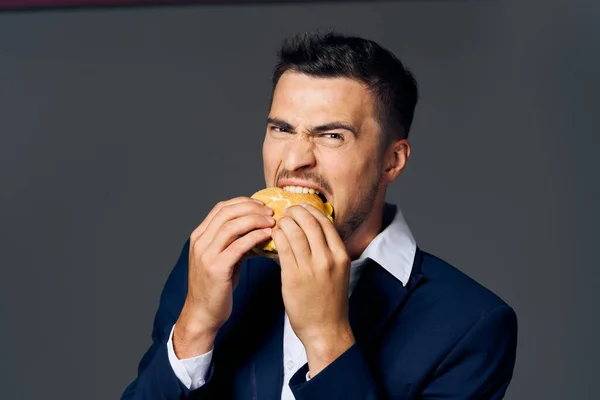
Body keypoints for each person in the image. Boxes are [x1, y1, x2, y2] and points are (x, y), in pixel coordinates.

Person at [121, 31, 517, 400]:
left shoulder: (472, 324)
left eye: (332, 136)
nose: (294, 160)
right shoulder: (215, 261)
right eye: (281, 129)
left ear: (392, 161)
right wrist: (195, 326)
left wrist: (327, 337)